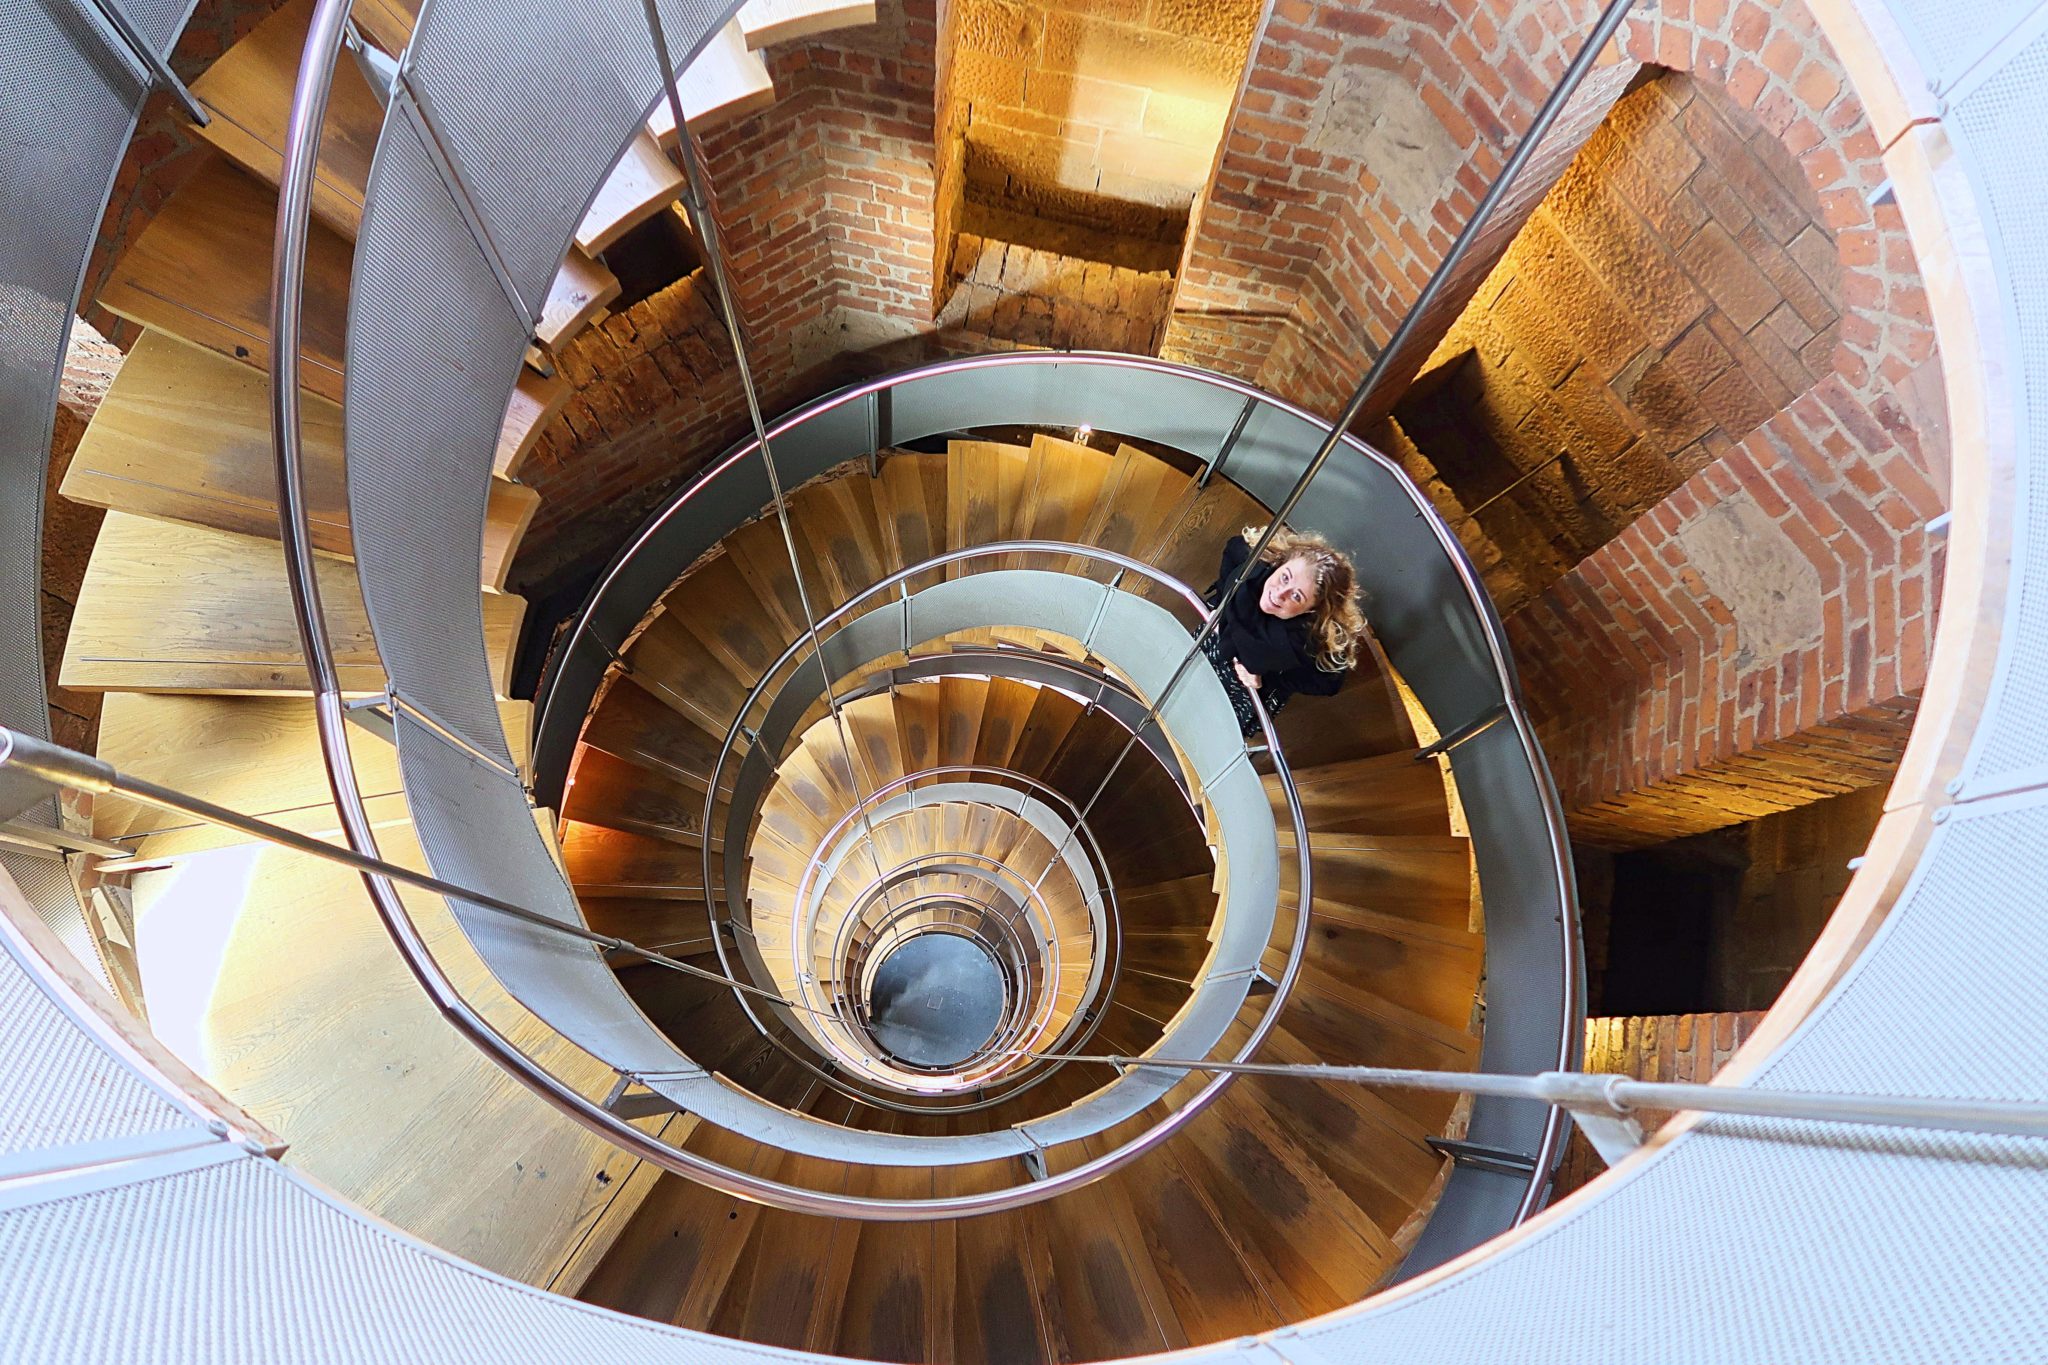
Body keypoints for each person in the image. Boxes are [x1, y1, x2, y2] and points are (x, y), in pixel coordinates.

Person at [1201, 523, 1365, 736]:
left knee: (1212, 732)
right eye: (1285, 577)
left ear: (1312, 610)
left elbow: (1328, 684)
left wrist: (1271, 679)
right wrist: (1221, 603)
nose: (1279, 594)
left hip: (1247, 688)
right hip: (1215, 641)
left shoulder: (1310, 640)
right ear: (1281, 563)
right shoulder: (1252, 569)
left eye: (1297, 596)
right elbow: (1234, 547)